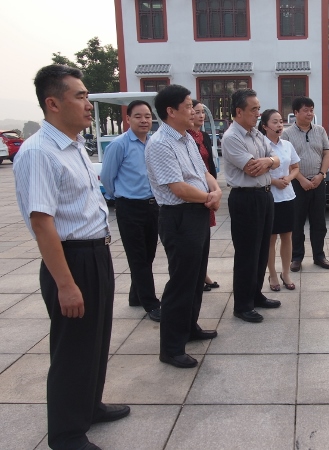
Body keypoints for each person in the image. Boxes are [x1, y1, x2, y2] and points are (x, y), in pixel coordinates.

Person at [13, 64, 129, 450]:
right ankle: (66, 434)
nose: (88, 104)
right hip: (70, 259)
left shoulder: (74, 145)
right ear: (53, 103)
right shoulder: (39, 152)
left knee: (95, 339)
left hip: (95, 252)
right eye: (79, 97)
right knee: (73, 348)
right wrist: (65, 284)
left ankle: (89, 406)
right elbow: (42, 223)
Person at [145, 85, 221, 369]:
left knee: (197, 276)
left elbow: (203, 172)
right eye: (188, 106)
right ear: (171, 111)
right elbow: (177, 188)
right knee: (181, 281)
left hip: (198, 212)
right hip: (179, 216)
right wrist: (209, 198)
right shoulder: (160, 144)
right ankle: (171, 348)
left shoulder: (187, 137)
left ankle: (190, 327)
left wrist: (215, 191)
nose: (193, 111)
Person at [221, 88, 281, 323]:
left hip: (265, 196)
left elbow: (276, 159)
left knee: (262, 250)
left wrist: (269, 161)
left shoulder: (255, 133)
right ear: (239, 111)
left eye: (258, 108)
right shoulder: (232, 137)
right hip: (245, 199)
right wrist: (269, 162)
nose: (258, 113)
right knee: (247, 253)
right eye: (254, 109)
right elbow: (252, 168)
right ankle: (243, 305)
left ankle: (256, 295)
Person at [100, 100, 161, 321]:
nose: (144, 120)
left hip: (152, 206)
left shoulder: (153, 143)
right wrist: (120, 197)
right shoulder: (119, 145)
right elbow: (107, 178)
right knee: (138, 257)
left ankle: (136, 295)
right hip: (129, 207)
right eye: (138, 116)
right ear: (128, 119)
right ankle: (151, 303)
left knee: (149, 254)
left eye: (148, 116)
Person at [281, 97, 329, 272]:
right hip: (297, 184)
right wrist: (301, 179)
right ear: (296, 113)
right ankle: (296, 257)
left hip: (318, 182)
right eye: (305, 110)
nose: (309, 113)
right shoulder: (287, 134)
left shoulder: (320, 131)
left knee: (319, 222)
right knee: (297, 222)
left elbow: (327, 153)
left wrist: (321, 175)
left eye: (311, 110)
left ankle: (319, 255)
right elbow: (286, 160)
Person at [258, 109, 300, 291]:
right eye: (274, 122)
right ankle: (273, 274)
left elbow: (295, 167)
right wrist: (274, 181)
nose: (279, 125)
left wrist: (288, 178)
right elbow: (256, 172)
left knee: (287, 236)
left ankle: (286, 272)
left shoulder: (287, 145)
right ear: (265, 126)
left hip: (287, 196)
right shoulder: (260, 146)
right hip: (269, 196)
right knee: (270, 238)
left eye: (281, 121)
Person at [187, 100, 219, 292]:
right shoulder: (186, 137)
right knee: (195, 238)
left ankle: (202, 273)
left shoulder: (203, 135)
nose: (200, 115)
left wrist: (215, 188)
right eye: (195, 111)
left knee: (204, 235)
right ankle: (198, 276)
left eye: (202, 112)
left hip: (208, 187)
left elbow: (210, 165)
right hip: (193, 190)